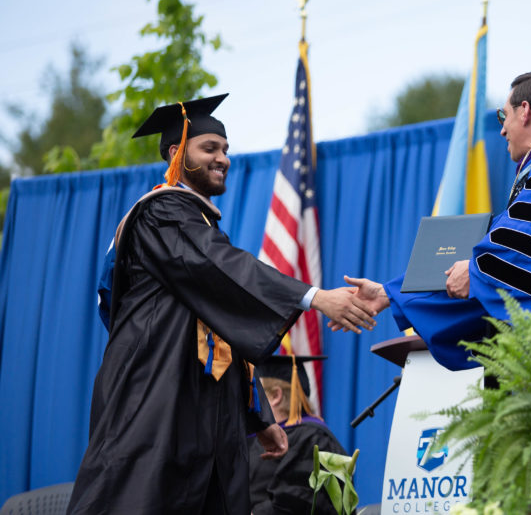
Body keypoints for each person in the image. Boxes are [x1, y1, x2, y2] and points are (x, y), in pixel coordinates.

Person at [67, 94, 375, 515]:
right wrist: (315, 297)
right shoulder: (162, 214)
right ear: (177, 154)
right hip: (154, 401)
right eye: (209, 148)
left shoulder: (196, 223)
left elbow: (216, 334)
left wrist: (259, 417)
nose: (222, 158)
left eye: (225, 149)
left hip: (199, 414)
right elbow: (225, 269)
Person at [340, 69, 531, 370]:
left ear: (525, 111)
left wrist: (475, 271)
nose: (502, 130)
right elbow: (512, 246)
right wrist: (389, 292)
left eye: (504, 116)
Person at [249, 355, 349, 515]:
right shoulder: (251, 438)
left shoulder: (313, 438)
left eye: (254, 392)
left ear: (275, 396)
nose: (248, 401)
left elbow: (302, 500)